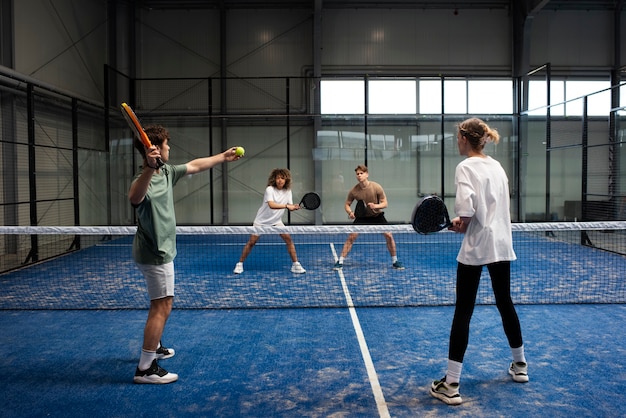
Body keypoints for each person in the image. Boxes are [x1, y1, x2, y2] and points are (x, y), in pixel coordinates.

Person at [129, 124, 241, 384]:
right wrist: (148, 167)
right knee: (162, 305)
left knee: (160, 303)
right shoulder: (144, 176)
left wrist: (223, 157)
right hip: (155, 253)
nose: (170, 148)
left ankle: (154, 347)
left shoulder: (166, 171)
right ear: (154, 149)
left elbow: (194, 165)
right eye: (166, 145)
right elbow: (134, 198)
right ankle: (145, 368)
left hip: (162, 248)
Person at [429, 118, 528, 405]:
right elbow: (491, 207)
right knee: (505, 302)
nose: (456, 141)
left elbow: (467, 213)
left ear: (463, 137)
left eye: (456, 137)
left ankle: (451, 384)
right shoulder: (496, 166)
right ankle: (520, 365)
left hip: (477, 246)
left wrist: (457, 223)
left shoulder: (465, 167)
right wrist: (465, 219)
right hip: (501, 243)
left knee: (463, 311)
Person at [233, 168, 306, 274]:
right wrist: (287, 206)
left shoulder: (288, 191)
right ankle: (239, 264)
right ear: (274, 179)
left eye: (282, 178)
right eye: (278, 178)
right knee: (252, 242)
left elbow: (289, 206)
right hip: (261, 221)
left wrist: (294, 207)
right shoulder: (270, 190)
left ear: (286, 180)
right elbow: (272, 205)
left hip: (276, 221)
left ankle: (296, 264)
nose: (280, 180)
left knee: (288, 239)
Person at [333, 165, 404, 270]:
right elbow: (347, 204)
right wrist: (350, 212)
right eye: (357, 174)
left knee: (389, 235)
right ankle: (340, 261)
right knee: (351, 237)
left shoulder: (376, 187)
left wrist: (376, 206)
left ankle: (395, 261)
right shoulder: (354, 191)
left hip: (376, 215)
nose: (359, 176)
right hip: (362, 217)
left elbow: (385, 203)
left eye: (361, 173)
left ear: (367, 174)